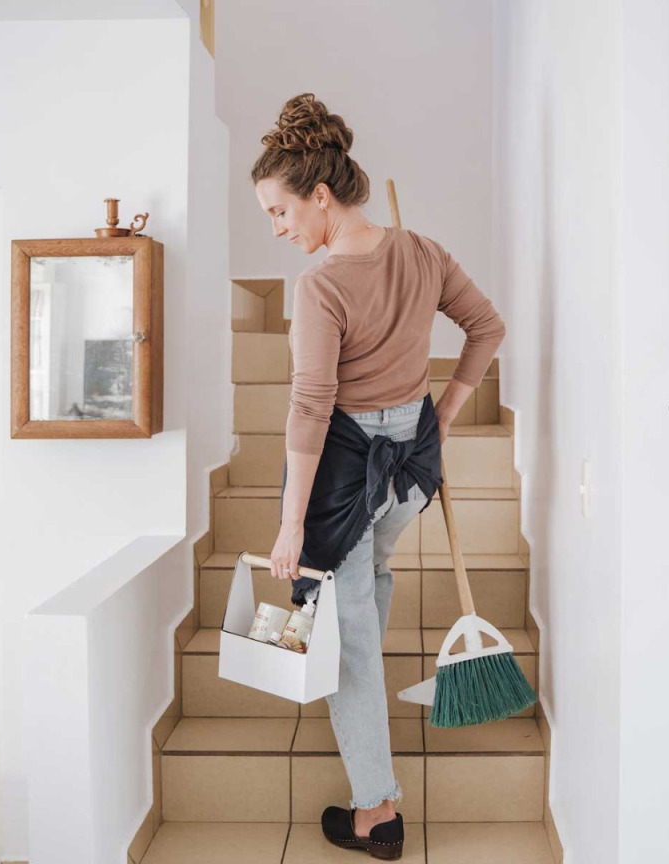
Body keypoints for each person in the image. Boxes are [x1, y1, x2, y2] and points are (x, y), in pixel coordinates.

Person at [251, 93, 506, 861]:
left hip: (347, 476)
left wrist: (291, 523)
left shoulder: (322, 286)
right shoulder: (422, 251)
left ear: (320, 195)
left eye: (280, 211)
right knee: (369, 585)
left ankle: (377, 812)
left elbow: (311, 407)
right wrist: (445, 413)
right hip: (412, 467)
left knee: (348, 636)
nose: (278, 228)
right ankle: (365, 691)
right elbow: (486, 325)